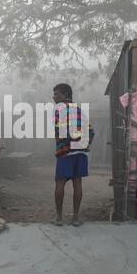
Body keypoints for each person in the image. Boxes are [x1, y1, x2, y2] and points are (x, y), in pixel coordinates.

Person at [52, 84, 94, 227]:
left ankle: (58, 218)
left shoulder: (59, 111)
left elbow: (60, 132)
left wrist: (64, 145)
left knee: (60, 183)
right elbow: (91, 131)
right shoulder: (80, 111)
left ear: (64, 95)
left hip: (66, 153)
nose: (54, 97)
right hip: (80, 153)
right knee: (78, 184)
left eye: (56, 94)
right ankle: (75, 218)